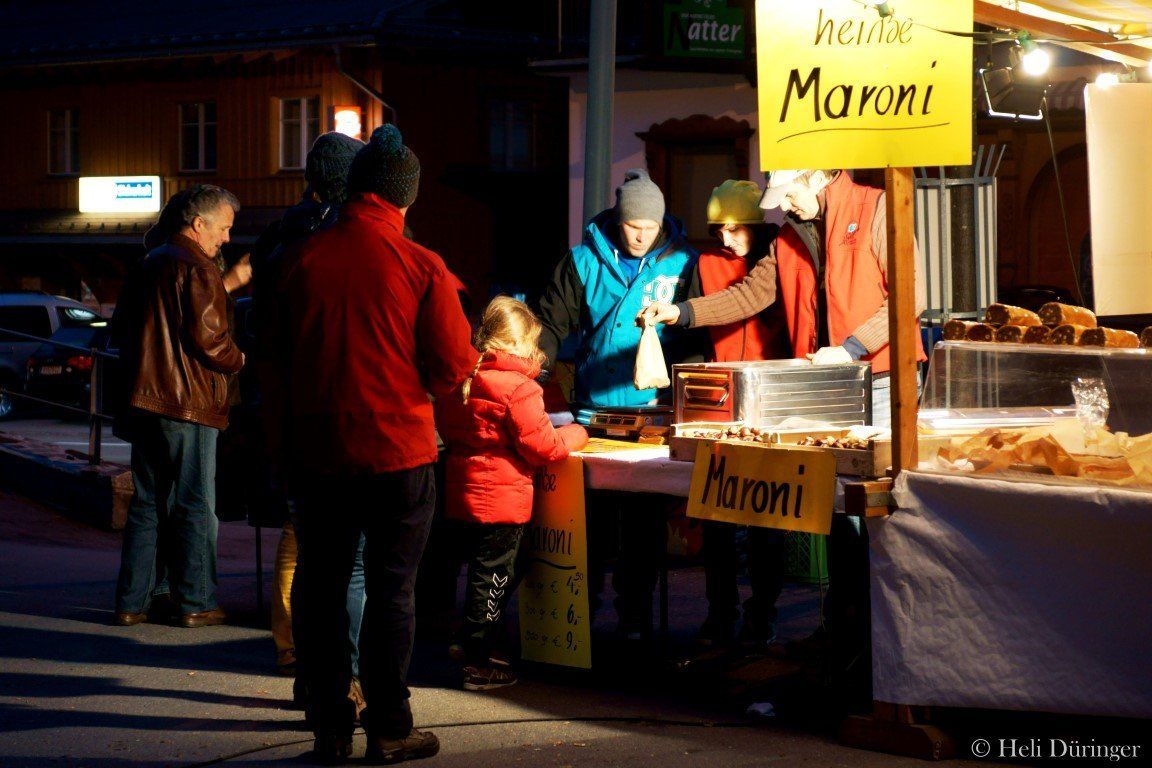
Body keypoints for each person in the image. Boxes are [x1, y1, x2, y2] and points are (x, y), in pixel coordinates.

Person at [640, 168, 926, 702]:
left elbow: (908, 295)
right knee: (839, 513)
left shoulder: (876, 208)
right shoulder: (792, 233)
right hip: (825, 381)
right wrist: (681, 312)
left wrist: (852, 348)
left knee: (879, 512)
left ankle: (884, 642)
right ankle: (843, 632)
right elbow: (751, 293)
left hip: (884, 378)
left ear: (817, 177)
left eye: (790, 194)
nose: (784, 207)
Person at [276, 124, 476, 764]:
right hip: (398, 450)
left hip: (318, 449)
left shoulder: (298, 259)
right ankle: (390, 725)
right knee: (393, 590)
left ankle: (330, 725)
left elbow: (272, 358)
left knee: (321, 584)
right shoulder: (421, 265)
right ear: (406, 198)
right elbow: (452, 364)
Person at [536, 168, 700, 640]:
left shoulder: (682, 262)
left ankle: (635, 616)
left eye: (651, 227)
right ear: (617, 219)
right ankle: (582, 616)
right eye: (633, 226)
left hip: (654, 415)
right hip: (594, 412)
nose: (642, 236)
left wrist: (688, 407)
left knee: (644, 525)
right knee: (592, 523)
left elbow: (696, 337)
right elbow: (550, 325)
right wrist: (536, 379)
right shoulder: (582, 261)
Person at [250, 131, 368, 689]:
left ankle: (290, 646)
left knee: (297, 535)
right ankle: (339, 662)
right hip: (341, 400)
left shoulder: (277, 236)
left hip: (288, 404)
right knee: (349, 549)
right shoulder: (345, 234)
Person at [435, 297, 589, 691]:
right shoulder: (520, 387)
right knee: (493, 576)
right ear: (519, 343)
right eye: (533, 341)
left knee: (490, 569)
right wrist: (577, 434)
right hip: (502, 498)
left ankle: (468, 641)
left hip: (462, 490)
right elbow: (543, 447)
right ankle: (477, 659)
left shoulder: (464, 378)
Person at [112, 184, 246, 629]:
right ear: (199, 223)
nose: (226, 238)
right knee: (195, 503)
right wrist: (241, 359)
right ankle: (196, 601)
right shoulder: (197, 267)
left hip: (143, 401)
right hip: (188, 403)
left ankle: (132, 602)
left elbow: (123, 329)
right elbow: (210, 340)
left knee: (147, 503)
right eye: (223, 228)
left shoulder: (149, 262)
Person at [689, 179, 790, 649]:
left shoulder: (784, 258)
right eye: (718, 230)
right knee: (717, 514)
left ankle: (763, 611)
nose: (725, 239)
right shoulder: (706, 264)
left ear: (754, 223)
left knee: (769, 515)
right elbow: (692, 338)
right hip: (720, 401)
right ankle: (720, 610)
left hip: (773, 401)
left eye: (733, 228)